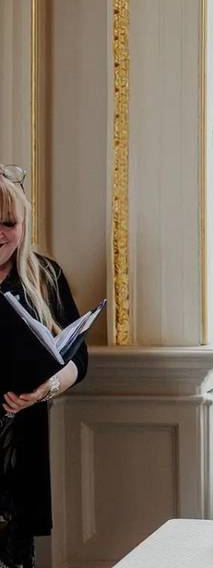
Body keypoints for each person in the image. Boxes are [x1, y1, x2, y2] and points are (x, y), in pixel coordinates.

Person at [0, 164, 89, 567]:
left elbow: (77, 360)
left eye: (8, 222)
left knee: (16, 555)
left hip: (18, 443)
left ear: (23, 224)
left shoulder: (45, 275)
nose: (0, 233)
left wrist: (45, 390)